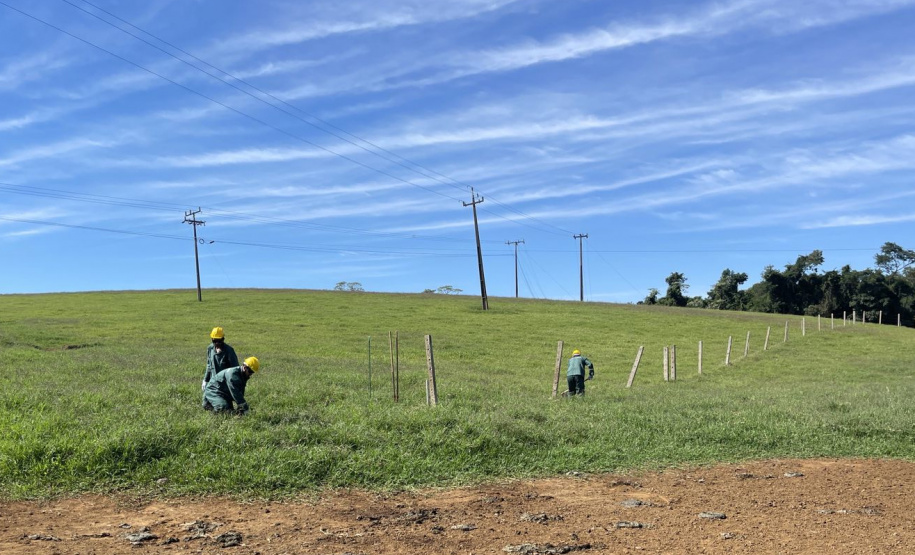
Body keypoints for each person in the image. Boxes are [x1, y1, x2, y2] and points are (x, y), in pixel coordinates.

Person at [203, 327, 239, 395]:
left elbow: (235, 369)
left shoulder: (229, 351)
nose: (217, 343)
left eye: (219, 341)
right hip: (213, 383)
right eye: (215, 341)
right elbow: (209, 365)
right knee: (207, 404)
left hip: (225, 385)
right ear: (212, 339)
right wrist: (205, 380)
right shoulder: (210, 348)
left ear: (223, 339)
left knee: (224, 404)